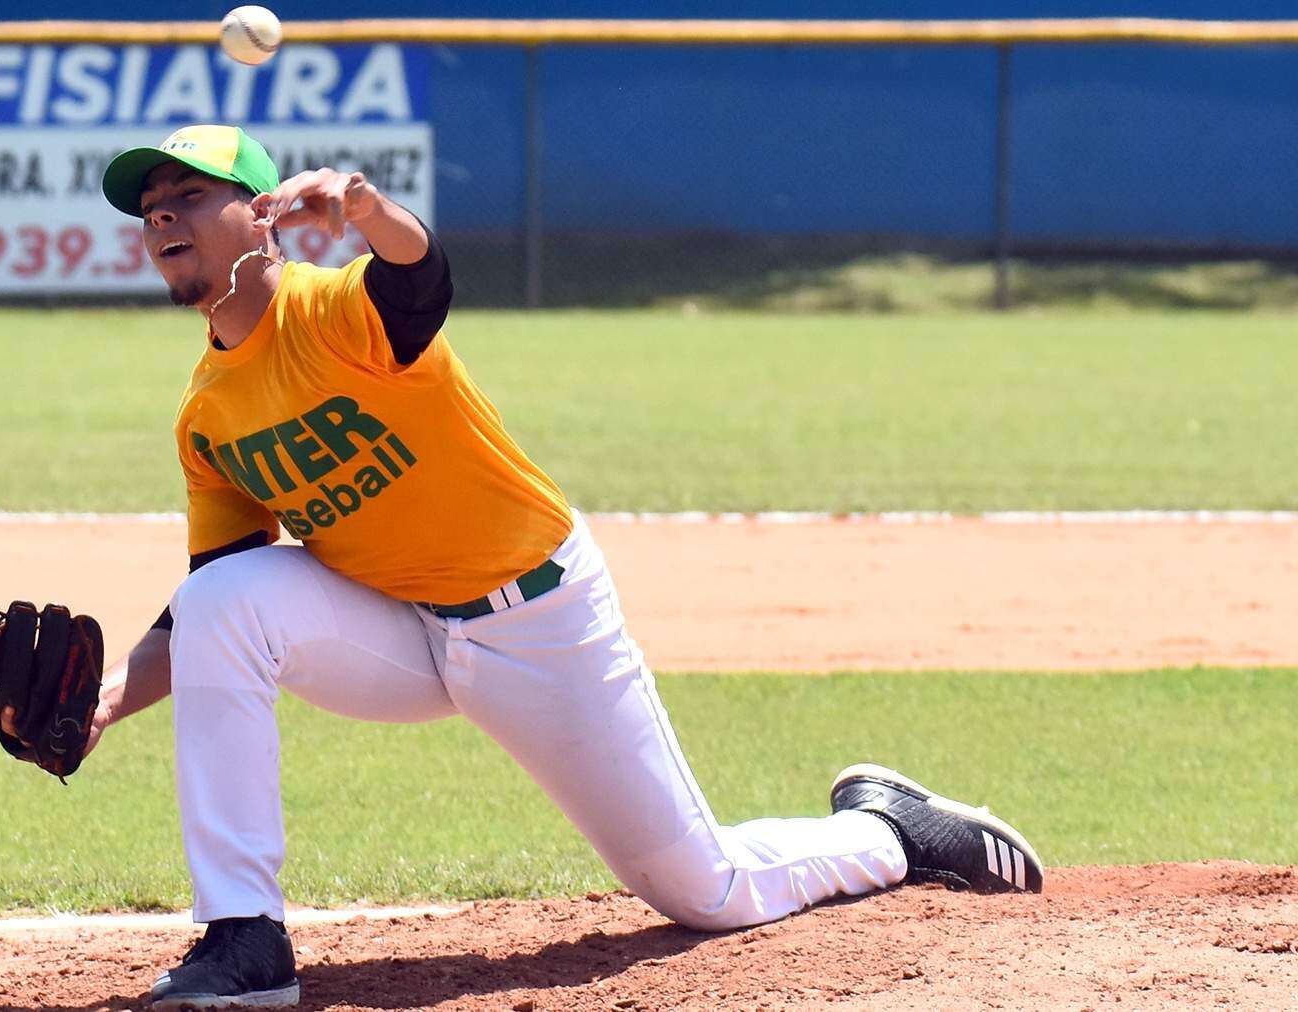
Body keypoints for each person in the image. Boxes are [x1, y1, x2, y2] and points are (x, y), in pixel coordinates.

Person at [90, 125, 1043, 1011]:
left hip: (538, 619)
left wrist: (366, 207)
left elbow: (418, 276)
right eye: (149, 206)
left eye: (187, 192)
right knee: (222, 595)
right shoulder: (206, 416)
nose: (161, 214)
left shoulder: (335, 311)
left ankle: (890, 830)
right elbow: (209, 603)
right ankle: (244, 936)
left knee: (704, 891)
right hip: (401, 632)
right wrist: (101, 701)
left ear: (260, 215)